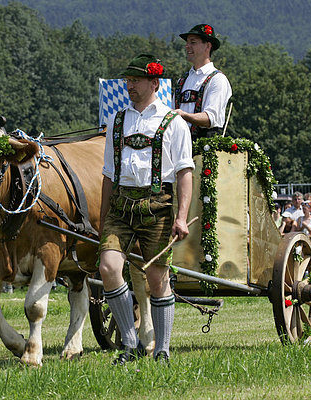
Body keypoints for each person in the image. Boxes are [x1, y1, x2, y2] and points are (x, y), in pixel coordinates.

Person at [99, 54, 194, 365]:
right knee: (109, 268)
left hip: (158, 206)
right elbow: (108, 175)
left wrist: (181, 217)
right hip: (121, 205)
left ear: (154, 83)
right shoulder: (116, 121)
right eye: (127, 81)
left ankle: (163, 350)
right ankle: (129, 344)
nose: (130, 86)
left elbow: (184, 172)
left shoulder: (174, 122)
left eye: (136, 80)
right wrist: (103, 216)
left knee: (157, 278)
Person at [174, 24, 232, 140]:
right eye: (187, 42)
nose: (187, 46)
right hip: (178, 144)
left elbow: (210, 119)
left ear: (208, 46)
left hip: (205, 146)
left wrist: (182, 115)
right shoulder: (183, 80)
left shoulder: (217, 80)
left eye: (193, 42)